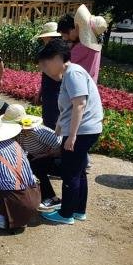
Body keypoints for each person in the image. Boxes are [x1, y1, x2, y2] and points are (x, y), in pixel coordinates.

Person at [37, 39, 103, 225]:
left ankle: (66, 214)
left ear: (57, 58)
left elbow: (80, 104)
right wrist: (58, 129)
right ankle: (77, 209)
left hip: (82, 131)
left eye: (45, 63)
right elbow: (67, 109)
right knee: (79, 171)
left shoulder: (73, 73)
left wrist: (72, 136)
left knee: (70, 172)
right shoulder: (69, 74)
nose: (44, 69)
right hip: (85, 130)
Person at [2, 104, 62, 211]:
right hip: (39, 156)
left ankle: (52, 198)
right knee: (27, 165)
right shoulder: (19, 134)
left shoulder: (37, 132)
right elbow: (20, 151)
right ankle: (33, 194)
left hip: (58, 158)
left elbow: (60, 145)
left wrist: (45, 154)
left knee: (36, 166)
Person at [57, 5, 108, 83]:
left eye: (64, 35)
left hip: (77, 89)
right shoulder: (94, 46)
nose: (64, 38)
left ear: (72, 29)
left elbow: (60, 66)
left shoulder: (82, 47)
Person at [33, 22, 62, 130]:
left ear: (49, 37)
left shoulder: (58, 52)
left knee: (53, 123)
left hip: (55, 93)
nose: (43, 41)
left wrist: (44, 66)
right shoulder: (48, 52)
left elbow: (59, 77)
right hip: (48, 92)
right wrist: (40, 93)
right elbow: (45, 75)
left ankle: (55, 145)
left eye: (44, 38)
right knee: (48, 121)